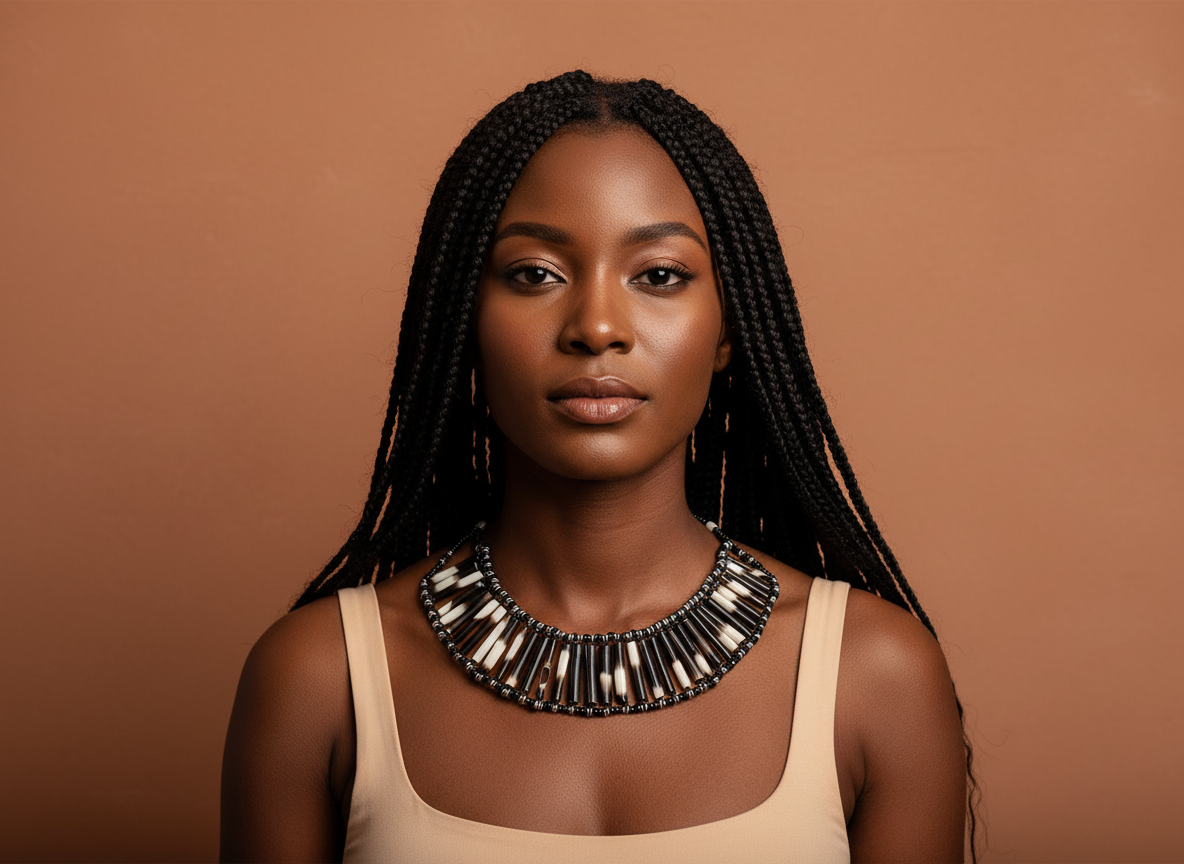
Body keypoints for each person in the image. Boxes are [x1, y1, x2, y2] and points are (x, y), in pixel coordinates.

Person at [221, 71, 975, 862]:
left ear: (728, 330)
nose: (597, 326)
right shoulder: (317, 681)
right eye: (534, 275)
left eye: (658, 276)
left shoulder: (877, 676)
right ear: (462, 324)